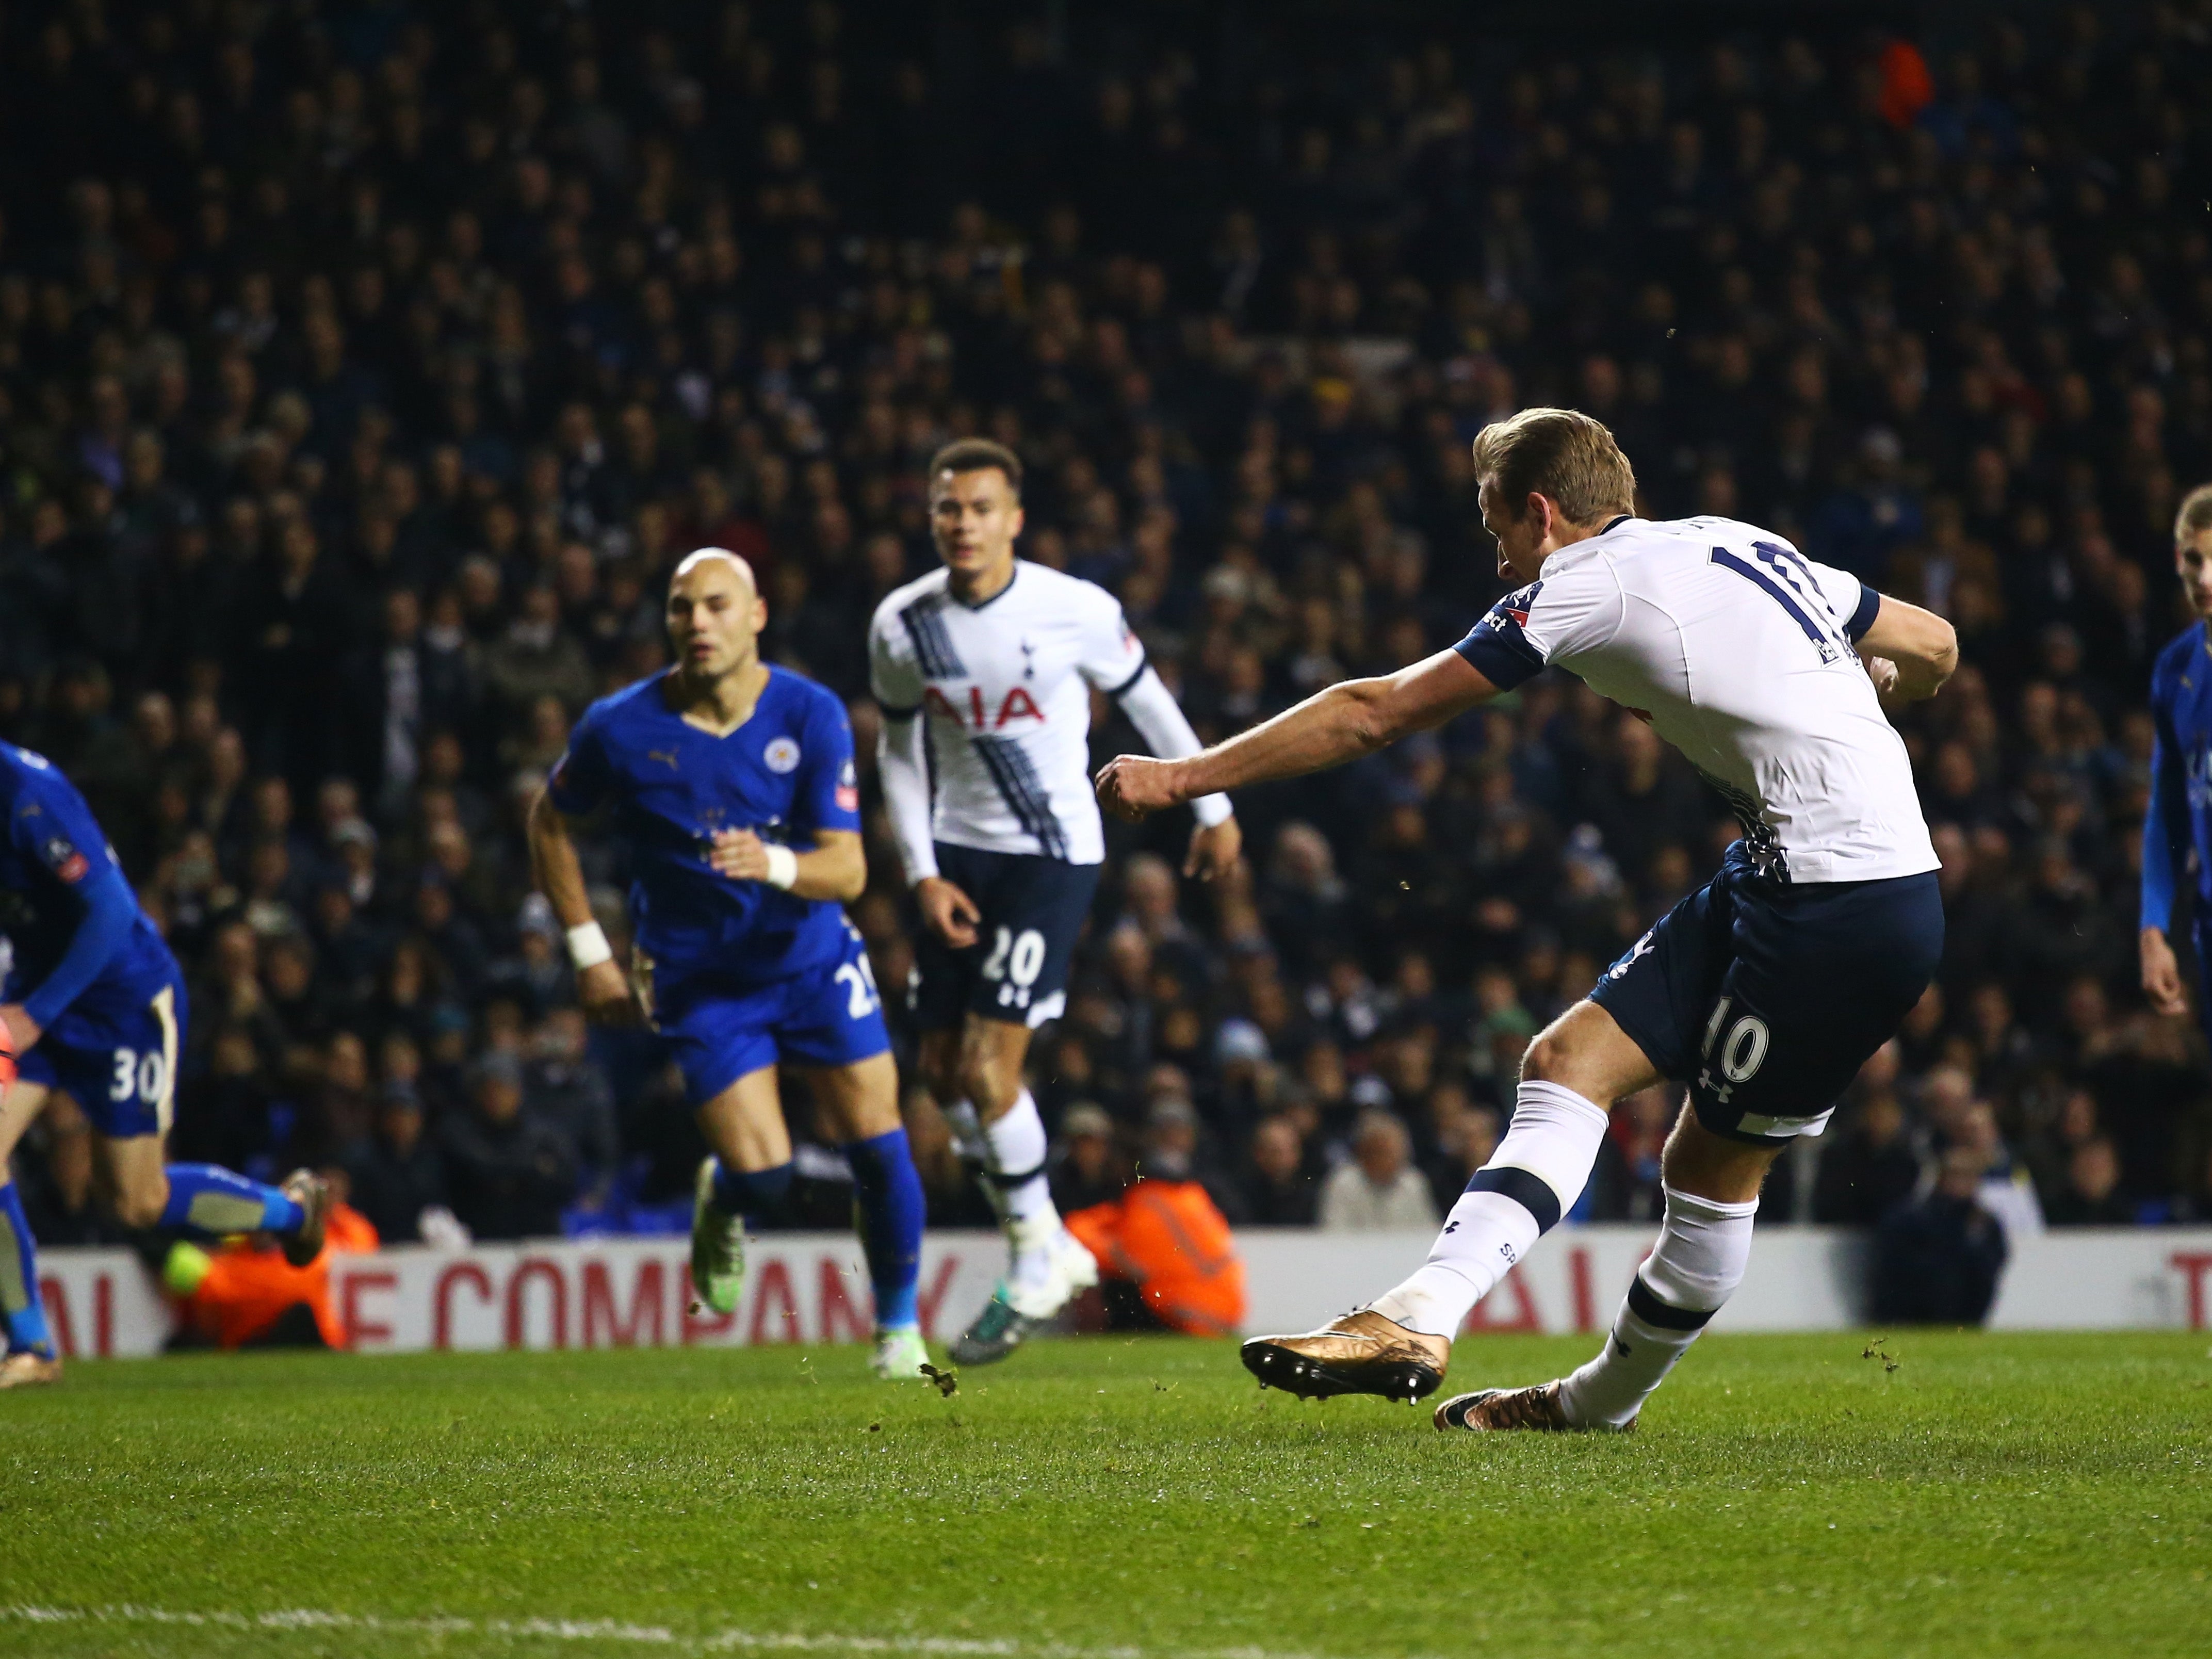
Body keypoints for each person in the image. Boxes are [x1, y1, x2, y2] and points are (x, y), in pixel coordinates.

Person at [1100, 407, 1956, 1430]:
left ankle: (1592, 1405)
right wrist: (1868, 692)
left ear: (1542, 514)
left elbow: (1378, 710)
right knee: (1564, 1063)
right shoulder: (1735, 540)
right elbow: (1933, 643)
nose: (1497, 557)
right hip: (1776, 874)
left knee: (1708, 1170)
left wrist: (1183, 776)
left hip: (1845, 907)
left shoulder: (1585, 582)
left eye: (1494, 526)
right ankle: (1417, 1316)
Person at [868, 438, 1242, 1364]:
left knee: (991, 1070)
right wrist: (920, 872)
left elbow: (1148, 702)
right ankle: (1040, 1242)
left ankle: (1041, 1252)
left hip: (1050, 854)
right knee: (946, 1075)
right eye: (948, 509)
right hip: (955, 859)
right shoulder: (900, 626)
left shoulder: (1072, 609)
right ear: (932, 518)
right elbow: (897, 756)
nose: (963, 524)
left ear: (1013, 518)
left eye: (981, 508)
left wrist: (1214, 802)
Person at [528, 549, 929, 1381]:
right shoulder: (618, 726)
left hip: (811, 962)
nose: (697, 623)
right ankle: (727, 1195)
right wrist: (588, 951)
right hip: (702, 984)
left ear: (756, 615)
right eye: (681, 609)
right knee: (769, 1178)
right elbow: (550, 821)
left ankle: (897, 1333)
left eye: (716, 605)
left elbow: (847, 870)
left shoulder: (808, 714)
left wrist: (774, 864)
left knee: (880, 1150)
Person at [0, 744, 332, 1388]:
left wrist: (33, 1015)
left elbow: (112, 912)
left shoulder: (29, 794)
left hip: (120, 1001)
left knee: (135, 1203)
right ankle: (32, 1346)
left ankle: (292, 1212)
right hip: (33, 993)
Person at [2138, 485, 2212, 1049]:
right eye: (2194, 560)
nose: (2205, 579)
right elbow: (2167, 812)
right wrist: (2152, 927)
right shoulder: (2174, 669)